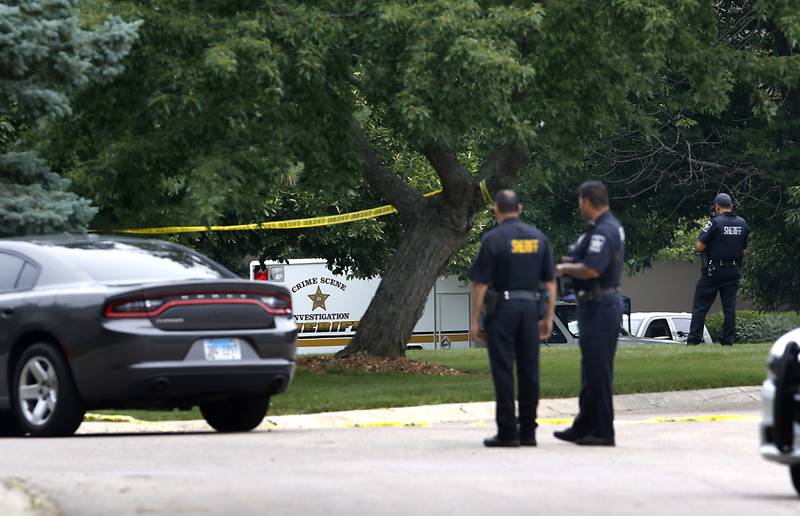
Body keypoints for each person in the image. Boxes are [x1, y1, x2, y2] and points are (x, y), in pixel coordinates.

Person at [469, 190, 556, 448]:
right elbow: (551, 283)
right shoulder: (539, 239)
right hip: (530, 308)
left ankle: (508, 432)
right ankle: (528, 431)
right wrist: (548, 316)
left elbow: (479, 284)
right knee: (530, 370)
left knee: (504, 370)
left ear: (496, 210)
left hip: (503, 311)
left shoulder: (493, 239)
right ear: (520, 208)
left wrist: (475, 320)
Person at [554, 181, 624, 447]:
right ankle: (584, 425)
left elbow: (593, 269)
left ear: (586, 201)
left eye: (579, 201)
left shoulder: (603, 231)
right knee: (591, 368)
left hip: (600, 304)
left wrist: (563, 269)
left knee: (599, 370)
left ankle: (604, 430)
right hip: (595, 304)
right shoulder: (603, 228)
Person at [687, 193, 749, 346]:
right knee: (729, 307)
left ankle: (694, 339)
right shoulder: (742, 223)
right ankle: (728, 340)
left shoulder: (714, 222)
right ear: (731, 206)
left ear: (717, 206)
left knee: (701, 305)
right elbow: (744, 251)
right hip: (733, 270)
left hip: (714, 270)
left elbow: (699, 246)